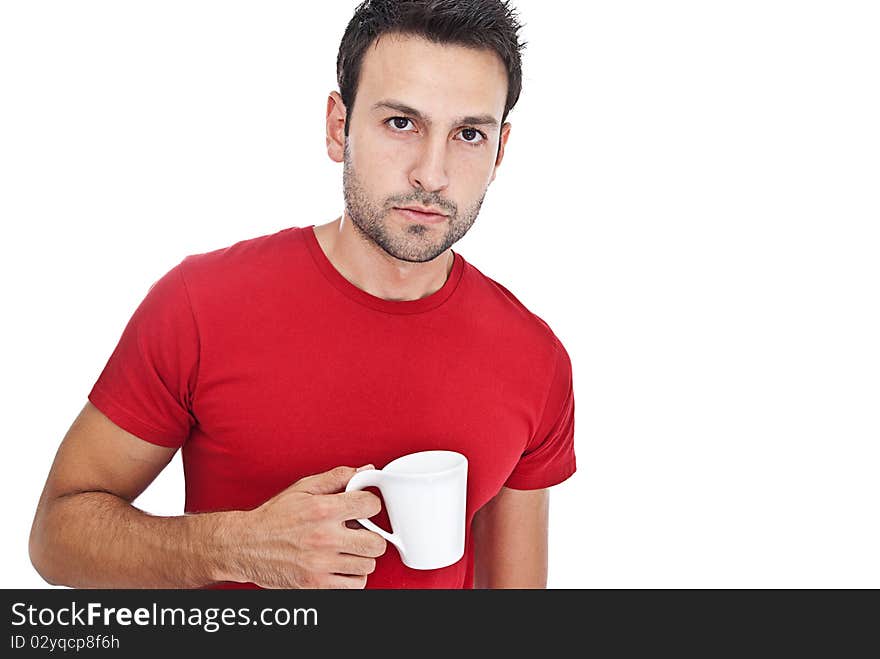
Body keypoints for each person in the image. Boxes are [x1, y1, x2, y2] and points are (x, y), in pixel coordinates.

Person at [29, 0, 576, 589]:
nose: (431, 173)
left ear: (499, 151)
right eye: (401, 123)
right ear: (338, 127)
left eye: (469, 134)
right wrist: (234, 547)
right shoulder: (200, 305)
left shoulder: (534, 360)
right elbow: (56, 536)